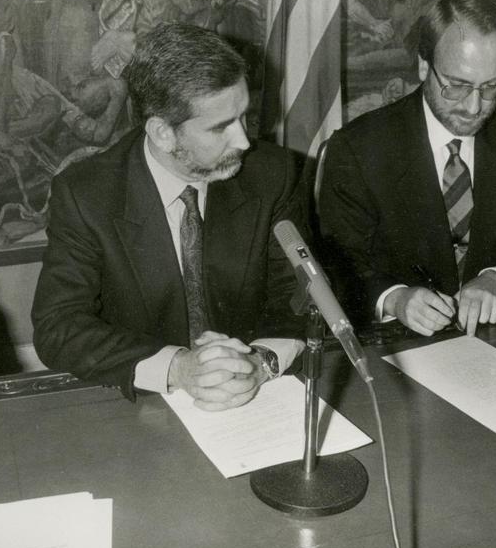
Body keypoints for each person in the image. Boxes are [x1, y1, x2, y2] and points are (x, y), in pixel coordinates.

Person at [32, 23, 305, 411]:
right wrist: (178, 368)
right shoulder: (87, 194)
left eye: (243, 116)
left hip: (257, 400)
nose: (244, 141)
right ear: (162, 133)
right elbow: (59, 327)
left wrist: (259, 362)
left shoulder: (271, 173)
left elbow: (300, 295)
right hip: (143, 408)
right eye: (221, 127)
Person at [318, 0, 496, 337]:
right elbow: (338, 269)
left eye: (492, 86)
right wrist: (396, 299)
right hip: (395, 346)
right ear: (423, 65)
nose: (474, 107)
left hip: (491, 342)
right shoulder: (359, 149)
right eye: (457, 86)